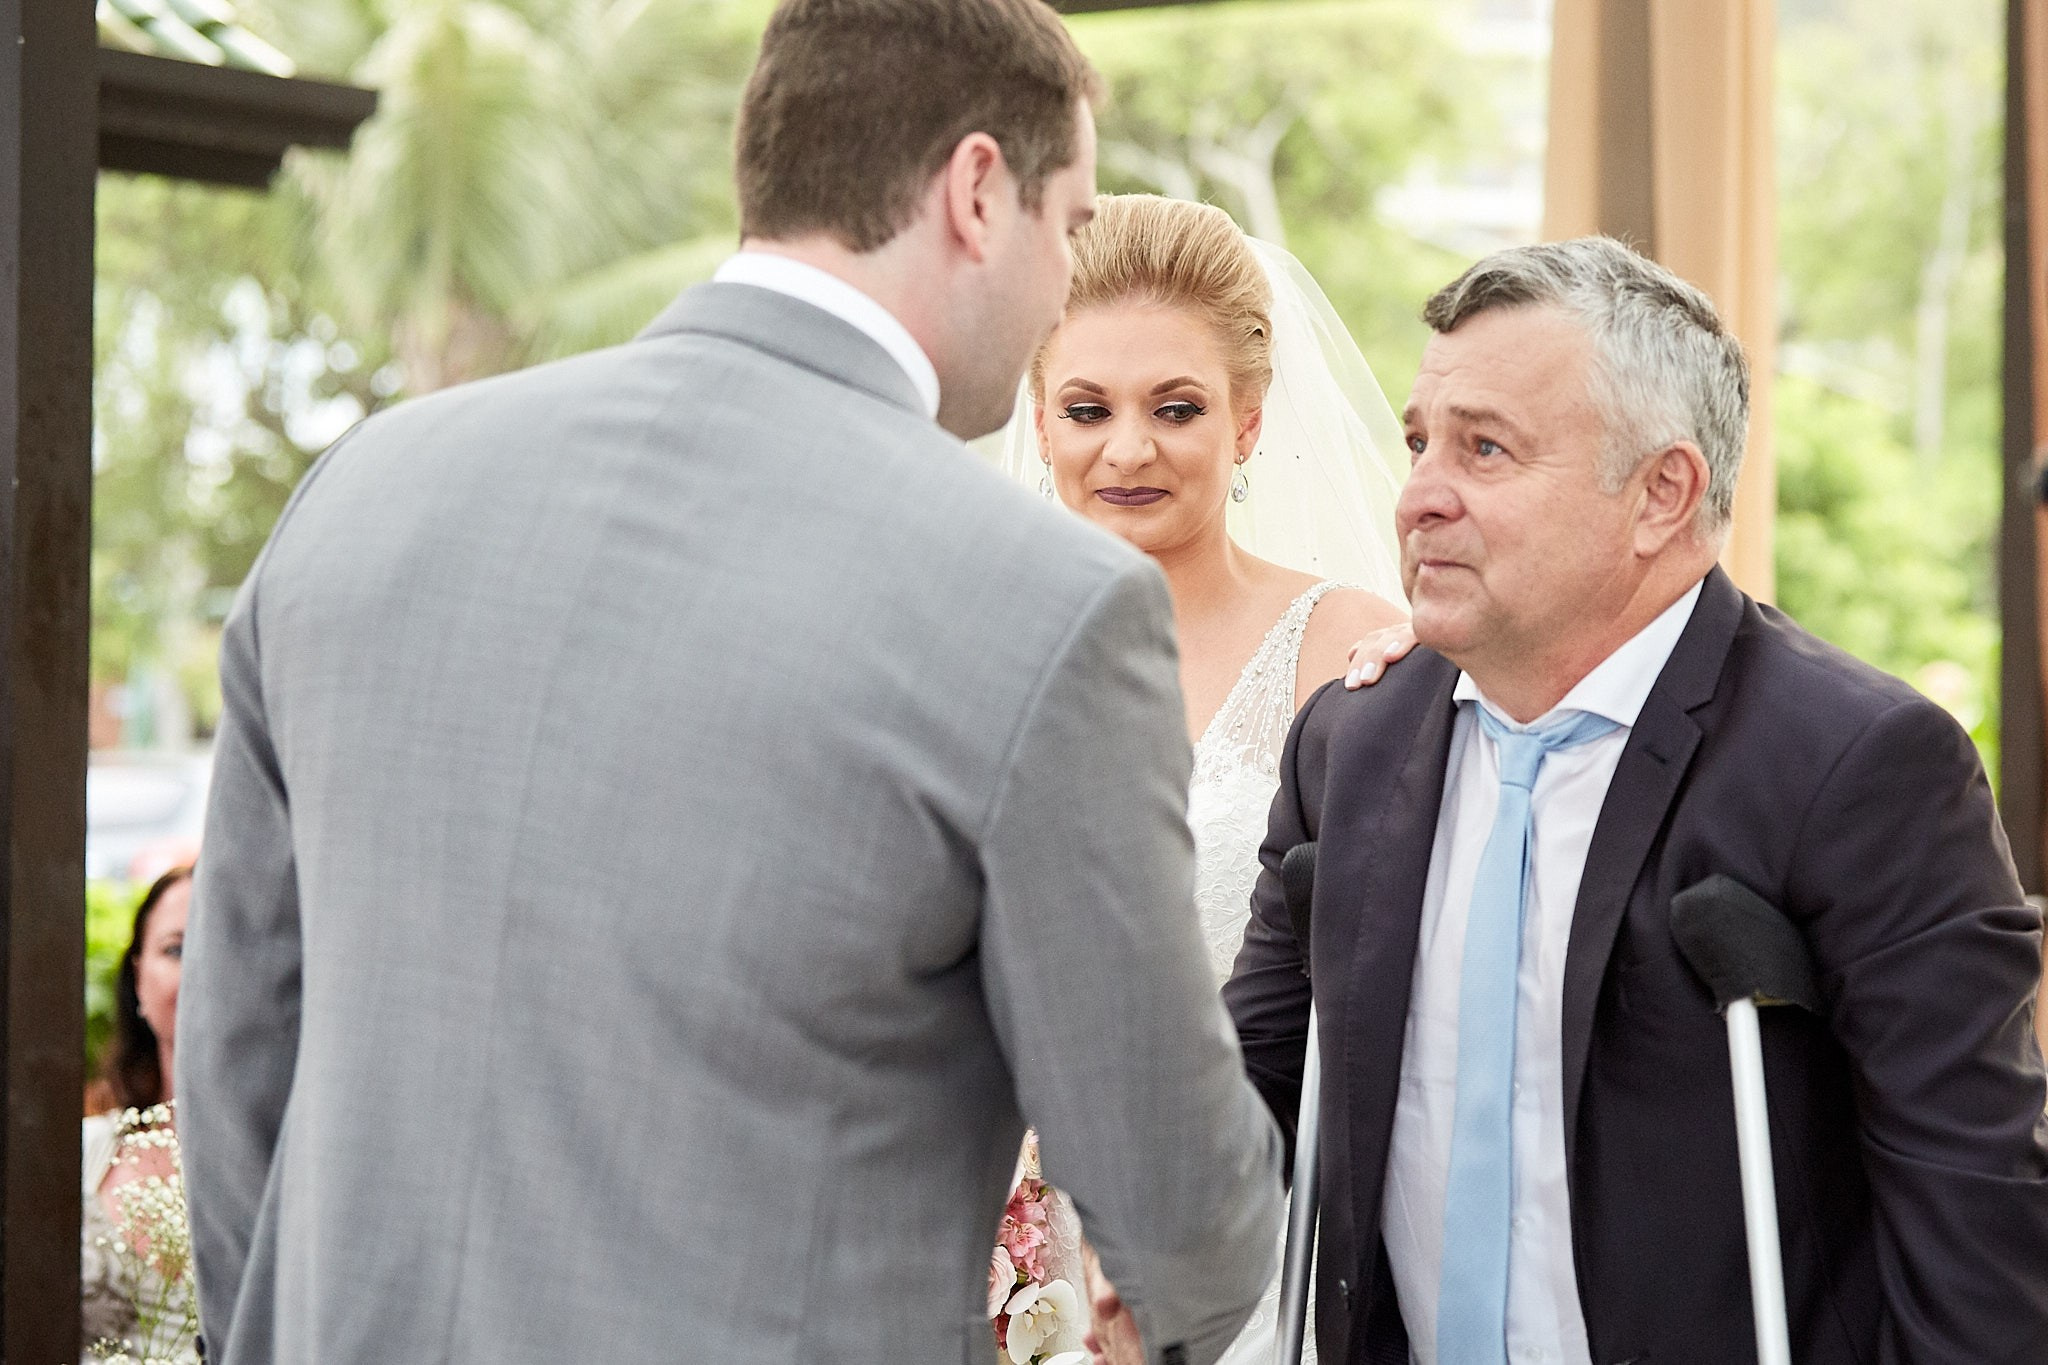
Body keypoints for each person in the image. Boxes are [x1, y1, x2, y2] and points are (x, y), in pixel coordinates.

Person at [177, 1, 1285, 1362]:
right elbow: (1177, 1211)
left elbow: (235, 1071)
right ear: (979, 192)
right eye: (1069, 224)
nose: (1066, 280)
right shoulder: (1045, 604)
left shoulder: (361, 492)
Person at [1224, 237, 2048, 1363]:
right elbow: (1248, 1096)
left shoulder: (1859, 766)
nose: (1416, 496)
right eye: (1419, 442)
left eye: (1484, 449)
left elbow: (1973, 1209)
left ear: (1660, 493)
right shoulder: (1350, 742)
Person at [989, 193, 1407, 1365]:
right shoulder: (965, 647)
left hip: (1258, 1242)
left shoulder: (1353, 652)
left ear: (1249, 421)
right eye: (1087, 409)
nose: (1127, 449)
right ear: (1038, 414)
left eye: (1174, 409)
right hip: (1000, 1236)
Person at [83, 866, 198, 1362]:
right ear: (137, 977)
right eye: (176, 949)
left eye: (225, 946)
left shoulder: (299, 1168)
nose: (201, 970)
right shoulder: (83, 1150)